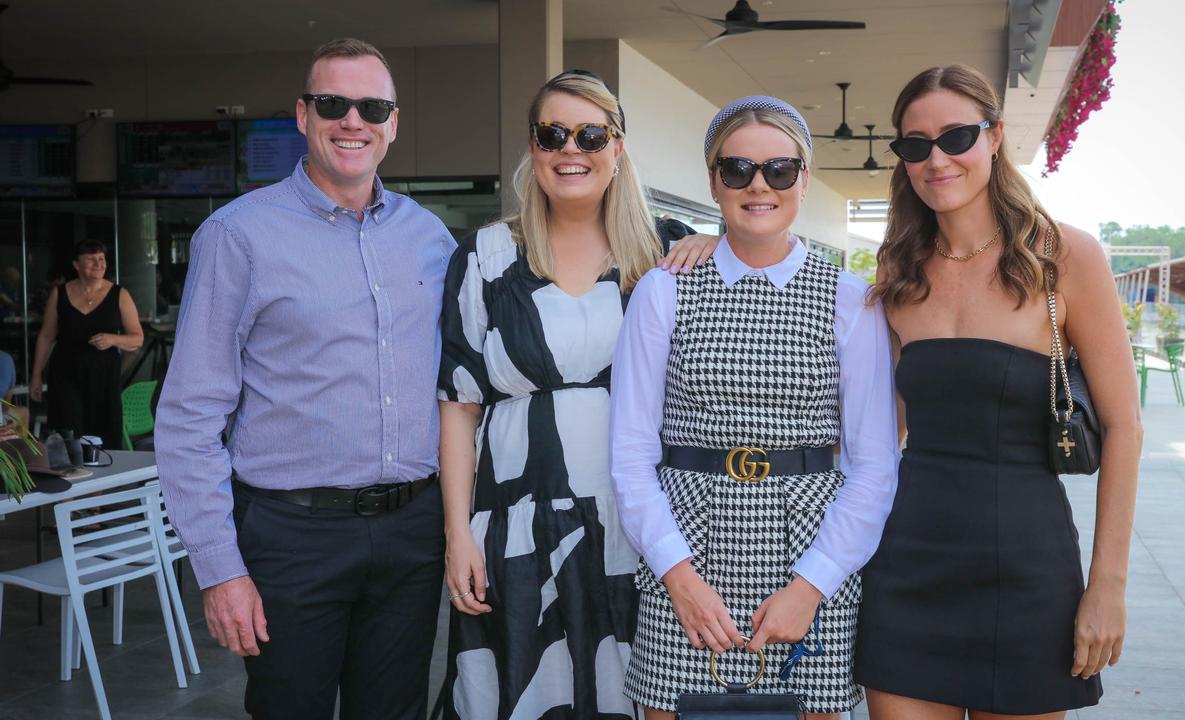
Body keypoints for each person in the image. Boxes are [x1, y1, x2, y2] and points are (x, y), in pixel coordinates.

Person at [155, 38, 453, 720]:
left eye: (371, 106)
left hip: (412, 532)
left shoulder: (430, 238)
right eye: (333, 104)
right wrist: (220, 568)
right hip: (291, 537)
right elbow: (189, 414)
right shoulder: (238, 236)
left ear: (394, 122)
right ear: (302, 114)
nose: (353, 120)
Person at [853, 64, 1142, 719]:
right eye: (914, 145)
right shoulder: (898, 270)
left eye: (955, 137)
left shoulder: (1064, 257)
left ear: (995, 137)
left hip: (1028, 569)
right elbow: (878, 437)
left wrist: (1108, 587)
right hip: (908, 566)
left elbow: (1125, 427)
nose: (936, 159)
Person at [438, 69, 716, 720]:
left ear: (617, 150)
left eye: (592, 134)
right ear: (532, 149)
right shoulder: (485, 257)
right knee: (518, 689)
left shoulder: (667, 252)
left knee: (629, 689)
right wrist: (457, 535)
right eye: (552, 133)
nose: (572, 148)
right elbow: (458, 405)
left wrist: (721, 245)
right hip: (513, 524)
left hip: (638, 528)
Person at [610, 96, 899, 719]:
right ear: (714, 181)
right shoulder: (664, 291)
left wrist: (813, 585)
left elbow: (874, 465)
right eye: (737, 169)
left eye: (780, 169)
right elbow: (631, 453)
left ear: (804, 177)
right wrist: (676, 578)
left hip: (812, 558)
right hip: (684, 556)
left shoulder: (852, 301)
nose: (758, 185)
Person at [30, 240, 143, 448]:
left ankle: (108, 480)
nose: (98, 263)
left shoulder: (120, 294)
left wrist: (113, 339)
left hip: (104, 377)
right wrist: (36, 375)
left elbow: (137, 338)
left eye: (101, 258)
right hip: (65, 376)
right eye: (91, 259)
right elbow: (46, 336)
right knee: (68, 434)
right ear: (76, 264)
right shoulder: (60, 293)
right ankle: (71, 479)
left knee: (106, 437)